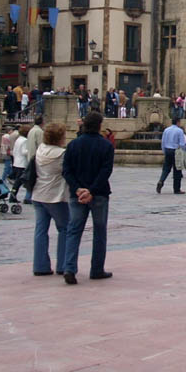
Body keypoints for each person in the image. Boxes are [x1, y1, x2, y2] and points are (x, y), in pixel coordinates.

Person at [62, 111, 114, 284]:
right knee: (99, 232)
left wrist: (77, 189)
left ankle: (69, 268)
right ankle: (97, 269)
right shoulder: (106, 146)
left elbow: (66, 170)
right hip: (98, 194)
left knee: (73, 231)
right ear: (99, 125)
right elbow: (105, 171)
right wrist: (91, 191)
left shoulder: (73, 145)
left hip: (76, 195)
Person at [32, 122, 70, 276]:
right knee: (65, 229)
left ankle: (40, 266)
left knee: (40, 230)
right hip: (55, 196)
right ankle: (62, 264)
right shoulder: (62, 154)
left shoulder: (40, 150)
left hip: (38, 193)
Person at [157, 117, 186, 194]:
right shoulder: (180, 131)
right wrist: (184, 152)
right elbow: (182, 144)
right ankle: (176, 189)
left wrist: (164, 151)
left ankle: (161, 181)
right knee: (177, 169)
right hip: (176, 151)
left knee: (166, 168)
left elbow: (163, 142)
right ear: (178, 122)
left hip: (167, 150)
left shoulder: (166, 130)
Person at [24, 115, 44, 204]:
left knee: (31, 176)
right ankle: (28, 196)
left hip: (30, 156)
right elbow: (41, 146)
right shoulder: (39, 131)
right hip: (36, 157)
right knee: (34, 178)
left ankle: (28, 196)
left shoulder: (31, 130)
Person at [9, 125, 30, 202]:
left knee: (17, 182)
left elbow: (15, 151)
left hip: (16, 162)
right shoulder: (25, 140)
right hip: (22, 163)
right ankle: (13, 197)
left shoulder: (18, 139)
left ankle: (12, 196)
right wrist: (31, 150)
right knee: (18, 182)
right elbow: (24, 151)